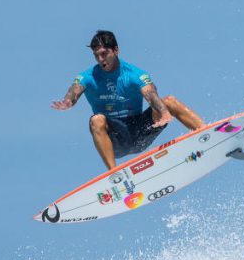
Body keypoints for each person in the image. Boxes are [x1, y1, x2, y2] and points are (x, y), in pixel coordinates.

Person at [51, 30, 205, 169]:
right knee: (96, 120)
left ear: (116, 50)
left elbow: (150, 94)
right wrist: (68, 101)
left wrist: (164, 112)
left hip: (140, 130)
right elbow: (75, 90)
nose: (100, 59)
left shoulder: (133, 74)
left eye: (104, 54)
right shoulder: (89, 76)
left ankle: (208, 134)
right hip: (115, 138)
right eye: (96, 55)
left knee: (170, 101)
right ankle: (114, 173)